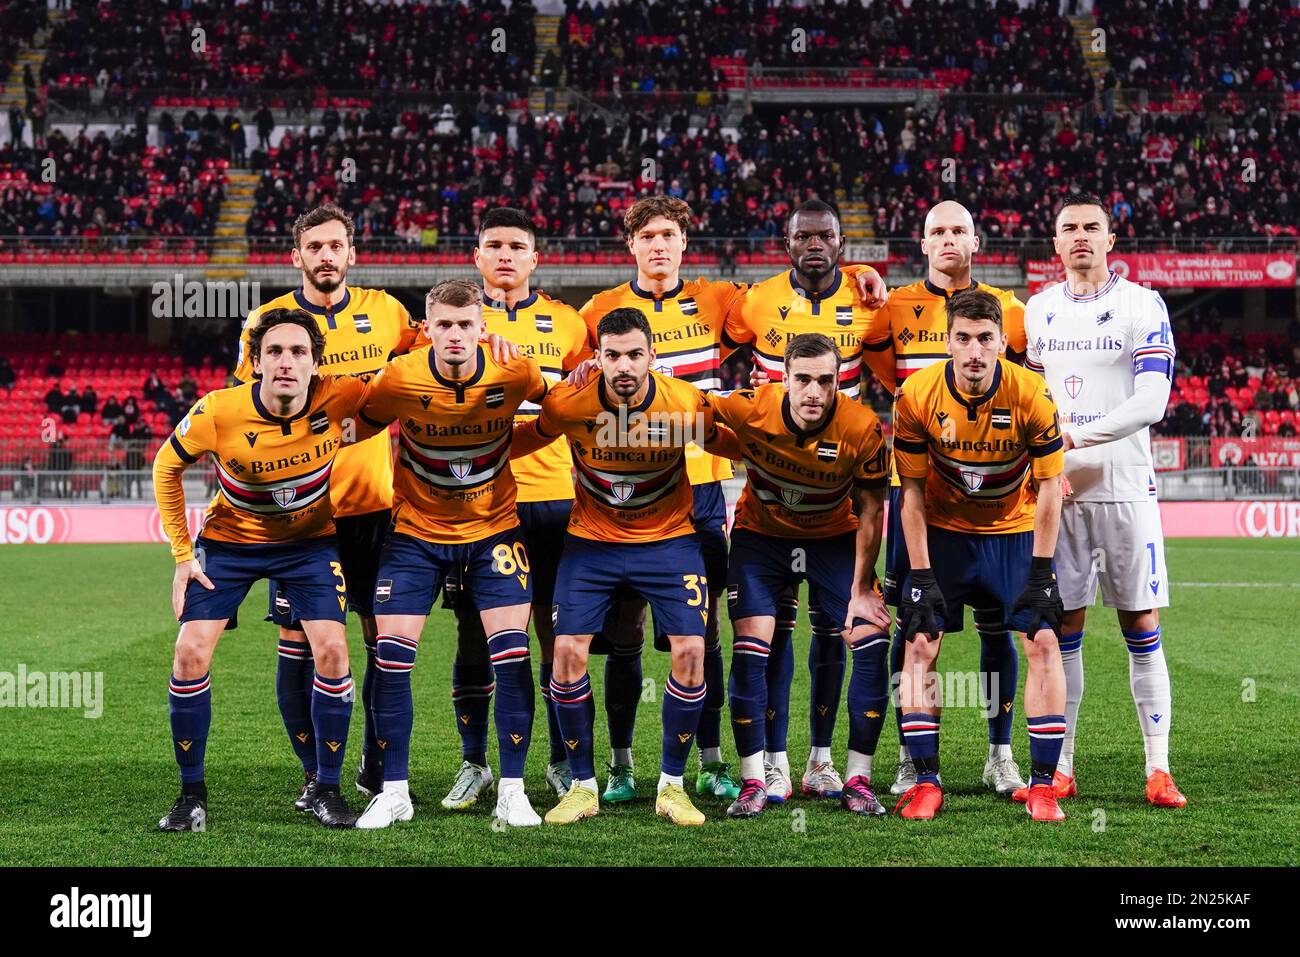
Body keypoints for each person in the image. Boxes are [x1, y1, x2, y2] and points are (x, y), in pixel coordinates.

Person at [578, 195, 888, 805]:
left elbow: (810, 278)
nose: (659, 246)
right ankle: (620, 765)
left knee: (711, 629)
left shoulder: (724, 300)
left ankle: (719, 762)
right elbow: (570, 375)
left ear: (684, 242)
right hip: (628, 482)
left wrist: (856, 275)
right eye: (648, 236)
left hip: (707, 483)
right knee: (626, 626)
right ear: (631, 245)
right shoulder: (598, 311)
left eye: (669, 234)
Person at [233, 203, 426, 811]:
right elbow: (247, 409)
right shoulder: (267, 323)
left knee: (378, 640)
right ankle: (315, 771)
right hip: (300, 515)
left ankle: (370, 757)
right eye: (313, 246)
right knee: (301, 643)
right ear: (296, 257)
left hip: (374, 509)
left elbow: (440, 352)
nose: (325, 255)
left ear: (351, 253)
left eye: (335, 245)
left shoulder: (388, 314)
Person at [151, 308, 373, 831]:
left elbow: (413, 384)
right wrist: (183, 555)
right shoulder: (218, 411)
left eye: (299, 352)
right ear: (254, 362)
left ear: (317, 363)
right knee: (188, 653)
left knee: (334, 649)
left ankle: (327, 788)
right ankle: (191, 795)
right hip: (229, 545)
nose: (286, 362)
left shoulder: (341, 396)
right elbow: (166, 468)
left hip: (310, 545)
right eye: (273, 351)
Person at [509, 307, 732, 827]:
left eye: (635, 354)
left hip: (669, 542)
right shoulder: (570, 401)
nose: (624, 365)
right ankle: (584, 786)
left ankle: (673, 788)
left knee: (692, 651)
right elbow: (523, 440)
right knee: (564, 652)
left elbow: (738, 442)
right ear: (598, 358)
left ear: (653, 356)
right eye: (613, 355)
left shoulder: (684, 403)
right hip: (591, 544)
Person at [350, 280, 549, 830]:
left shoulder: (515, 370)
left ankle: (512, 789)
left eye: (466, 324)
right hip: (414, 532)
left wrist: (579, 378)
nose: (455, 334)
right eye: (444, 325)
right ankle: (394, 791)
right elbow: (354, 427)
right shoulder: (399, 376)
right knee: (391, 660)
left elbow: (557, 414)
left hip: (494, 531)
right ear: (428, 329)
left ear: (482, 327)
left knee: (512, 657)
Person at [1022, 192, 1187, 809]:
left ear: (1110, 239)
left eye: (1093, 226)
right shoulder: (1038, 311)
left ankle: (1158, 768)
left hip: (1123, 487)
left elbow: (1152, 402)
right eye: (1070, 228)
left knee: (1140, 624)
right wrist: (1043, 458)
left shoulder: (1142, 304)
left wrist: (1071, 439)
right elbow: (1032, 397)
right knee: (1064, 628)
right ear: (1056, 243)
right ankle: (1060, 768)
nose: (1082, 236)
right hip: (1055, 494)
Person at [862, 199, 1031, 798]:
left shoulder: (1009, 311)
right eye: (938, 231)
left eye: (960, 228)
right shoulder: (894, 307)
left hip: (991, 505)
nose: (949, 238)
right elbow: (880, 374)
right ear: (924, 243)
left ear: (976, 240)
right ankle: (913, 756)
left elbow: (1027, 387)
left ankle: (1000, 753)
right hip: (918, 493)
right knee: (915, 628)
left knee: (999, 630)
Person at [724, 198, 888, 801]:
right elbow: (701, 379)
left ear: (843, 243)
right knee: (764, 633)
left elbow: (902, 365)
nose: (814, 244)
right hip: (766, 511)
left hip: (834, 512)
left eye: (826, 236)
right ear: (786, 242)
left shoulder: (874, 304)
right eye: (803, 236)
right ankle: (765, 764)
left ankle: (826, 762)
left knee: (842, 631)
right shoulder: (755, 301)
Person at [891, 288, 1068, 822]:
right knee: (919, 640)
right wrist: (919, 573)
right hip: (942, 533)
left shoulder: (1032, 394)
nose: (973, 352)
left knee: (1041, 639)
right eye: (963, 339)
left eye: (985, 339)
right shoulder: (916, 396)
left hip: (1012, 532)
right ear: (947, 341)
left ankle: (1040, 785)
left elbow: (1052, 488)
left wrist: (1041, 572)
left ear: (1001, 344)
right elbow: (912, 494)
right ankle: (926, 782)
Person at [438, 208, 591, 810]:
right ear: (476, 257)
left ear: (535, 258)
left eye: (517, 246)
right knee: (476, 638)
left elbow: (587, 398)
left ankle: (558, 761)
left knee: (558, 636)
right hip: (477, 503)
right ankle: (475, 762)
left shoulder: (569, 324)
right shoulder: (449, 324)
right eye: (493, 245)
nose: (505, 254)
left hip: (555, 501)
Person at [706, 333, 893, 818]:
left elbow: (872, 509)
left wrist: (860, 590)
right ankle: (755, 778)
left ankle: (855, 776)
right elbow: (686, 406)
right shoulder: (750, 406)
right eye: (803, 380)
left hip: (834, 539)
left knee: (869, 638)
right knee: (752, 646)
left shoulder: (863, 427)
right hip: (761, 539)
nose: (814, 391)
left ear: (840, 383)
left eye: (826, 381)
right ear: (783, 380)